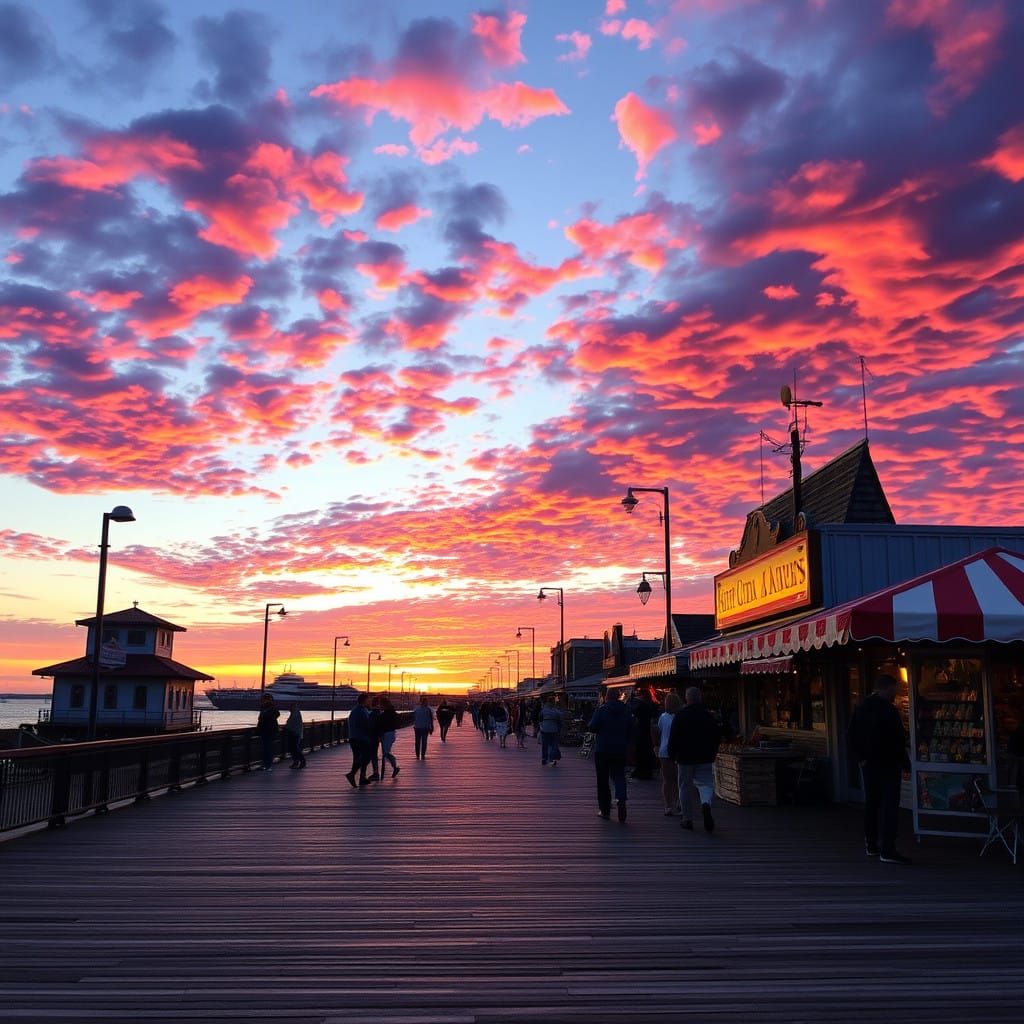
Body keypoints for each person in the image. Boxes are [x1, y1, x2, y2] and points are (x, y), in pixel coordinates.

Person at [847, 673, 912, 864]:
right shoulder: (888, 711)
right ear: (886, 689)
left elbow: (851, 734)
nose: (896, 693)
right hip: (888, 763)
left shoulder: (862, 707)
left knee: (872, 803)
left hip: (870, 763)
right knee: (890, 805)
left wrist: (861, 759)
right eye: (894, 689)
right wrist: (904, 762)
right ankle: (888, 848)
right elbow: (897, 740)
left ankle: (871, 843)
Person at [669, 686, 722, 833]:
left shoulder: (680, 716)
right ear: (700, 698)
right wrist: (713, 752)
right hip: (705, 757)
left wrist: (672, 754)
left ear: (687, 698)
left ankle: (687, 819)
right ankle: (705, 803)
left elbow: (674, 737)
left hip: (685, 758)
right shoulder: (708, 716)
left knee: (685, 786)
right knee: (705, 784)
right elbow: (716, 736)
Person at [588, 688, 634, 822]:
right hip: (620, 749)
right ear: (619, 697)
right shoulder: (626, 711)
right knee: (619, 776)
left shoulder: (601, 710)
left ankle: (605, 810)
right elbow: (632, 730)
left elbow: (592, 727)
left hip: (603, 749)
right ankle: (621, 799)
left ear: (606, 697)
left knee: (602, 780)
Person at [656, 692, 682, 815]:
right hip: (678, 751)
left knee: (667, 780)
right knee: (678, 779)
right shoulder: (681, 717)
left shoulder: (663, 717)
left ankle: (668, 806)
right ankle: (679, 803)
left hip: (664, 751)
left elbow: (659, 731)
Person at [629, 685, 659, 780]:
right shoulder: (652, 705)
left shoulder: (640, 706)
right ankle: (646, 771)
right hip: (647, 733)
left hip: (641, 732)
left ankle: (641, 771)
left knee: (641, 752)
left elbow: (634, 713)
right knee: (647, 752)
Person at [345, 693, 375, 788]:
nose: (370, 701)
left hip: (354, 737)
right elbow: (367, 724)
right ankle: (352, 774)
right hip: (360, 738)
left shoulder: (356, 710)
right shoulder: (361, 711)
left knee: (357, 758)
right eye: (369, 700)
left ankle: (362, 778)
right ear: (365, 700)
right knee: (367, 756)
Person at [378, 696, 401, 778]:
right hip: (390, 733)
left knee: (386, 753)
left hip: (388, 734)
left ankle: (395, 767)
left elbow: (383, 724)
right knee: (385, 753)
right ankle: (394, 767)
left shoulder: (386, 713)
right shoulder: (391, 712)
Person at [256, 693, 280, 771]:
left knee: (266, 748)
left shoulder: (266, 708)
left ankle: (267, 765)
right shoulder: (272, 708)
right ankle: (267, 765)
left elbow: (260, 719)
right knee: (267, 748)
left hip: (266, 730)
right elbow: (276, 715)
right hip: (270, 730)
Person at [539, 695, 563, 766]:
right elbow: (559, 720)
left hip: (545, 729)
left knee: (544, 745)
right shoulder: (556, 711)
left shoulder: (544, 709)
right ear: (554, 702)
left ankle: (544, 759)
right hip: (554, 729)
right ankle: (552, 758)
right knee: (553, 745)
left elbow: (540, 718)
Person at [284, 702, 306, 769]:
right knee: (294, 748)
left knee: (294, 749)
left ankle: (301, 761)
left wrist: (287, 726)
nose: (288, 709)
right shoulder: (296, 712)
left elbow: (292, 723)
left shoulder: (294, 713)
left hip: (294, 733)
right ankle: (297, 762)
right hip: (295, 733)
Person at [413, 695, 434, 760]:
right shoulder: (428, 710)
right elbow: (431, 719)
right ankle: (422, 755)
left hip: (418, 727)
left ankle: (418, 755)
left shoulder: (416, 709)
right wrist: (431, 727)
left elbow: (413, 718)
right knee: (423, 741)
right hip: (424, 728)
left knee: (418, 741)